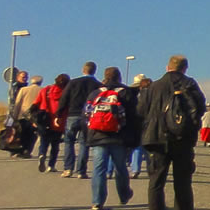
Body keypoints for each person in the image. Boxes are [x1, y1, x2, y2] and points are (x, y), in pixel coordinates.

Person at [138, 54, 206, 210]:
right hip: (183, 139)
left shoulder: (154, 87)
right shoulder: (190, 84)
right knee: (183, 182)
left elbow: (141, 111)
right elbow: (200, 108)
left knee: (156, 182)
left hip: (157, 138)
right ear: (185, 68)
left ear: (167, 67)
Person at [86, 67, 138, 210]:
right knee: (120, 167)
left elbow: (86, 114)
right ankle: (124, 195)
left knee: (98, 169)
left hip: (98, 136)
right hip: (118, 137)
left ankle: (97, 202)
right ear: (119, 77)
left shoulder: (95, 93)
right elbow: (133, 117)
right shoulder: (126, 93)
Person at [59, 62, 103, 179]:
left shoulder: (73, 82)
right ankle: (81, 171)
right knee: (84, 143)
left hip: (72, 115)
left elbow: (64, 98)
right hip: (89, 116)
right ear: (95, 70)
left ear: (83, 70)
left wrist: (58, 114)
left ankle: (68, 168)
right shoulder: (98, 85)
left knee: (69, 142)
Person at [35, 74, 68, 172]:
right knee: (55, 144)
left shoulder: (46, 90)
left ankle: (42, 154)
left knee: (44, 141)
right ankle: (51, 165)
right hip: (59, 121)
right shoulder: (66, 93)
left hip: (45, 120)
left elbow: (36, 103)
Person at [12, 74, 43, 159]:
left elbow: (17, 104)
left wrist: (14, 116)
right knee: (32, 135)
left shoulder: (23, 90)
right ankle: (28, 150)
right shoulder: (42, 90)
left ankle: (22, 149)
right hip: (36, 116)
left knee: (23, 133)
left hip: (23, 115)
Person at [128, 74, 151, 177]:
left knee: (137, 147)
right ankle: (151, 168)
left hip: (139, 123)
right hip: (151, 124)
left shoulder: (136, 95)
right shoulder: (154, 95)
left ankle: (135, 169)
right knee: (150, 148)